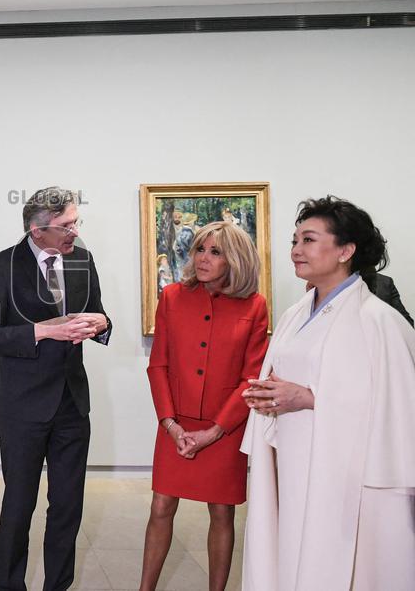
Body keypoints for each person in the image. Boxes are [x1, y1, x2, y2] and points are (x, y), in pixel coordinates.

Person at [240, 196, 415, 590]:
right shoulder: (295, 313)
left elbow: (396, 407)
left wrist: (308, 397)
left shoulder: (378, 320)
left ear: (345, 251)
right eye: (295, 240)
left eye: (309, 239)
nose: (295, 250)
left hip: (349, 471)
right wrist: (268, 394)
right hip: (294, 454)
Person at [0, 186, 111, 591]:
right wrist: (41, 331)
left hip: (72, 403)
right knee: (19, 505)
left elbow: (99, 313)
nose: (75, 232)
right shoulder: (1, 266)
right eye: (66, 225)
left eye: (76, 223)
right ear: (38, 231)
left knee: (68, 507)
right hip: (22, 406)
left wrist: (102, 325)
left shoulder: (83, 260)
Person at [140, 221, 269, 591]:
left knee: (221, 511)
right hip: (175, 423)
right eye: (200, 249)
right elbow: (158, 364)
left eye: (215, 252)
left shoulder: (255, 306)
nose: (203, 258)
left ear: (235, 260)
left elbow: (252, 377)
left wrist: (215, 430)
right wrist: (170, 424)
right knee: (161, 507)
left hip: (224, 427)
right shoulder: (173, 297)